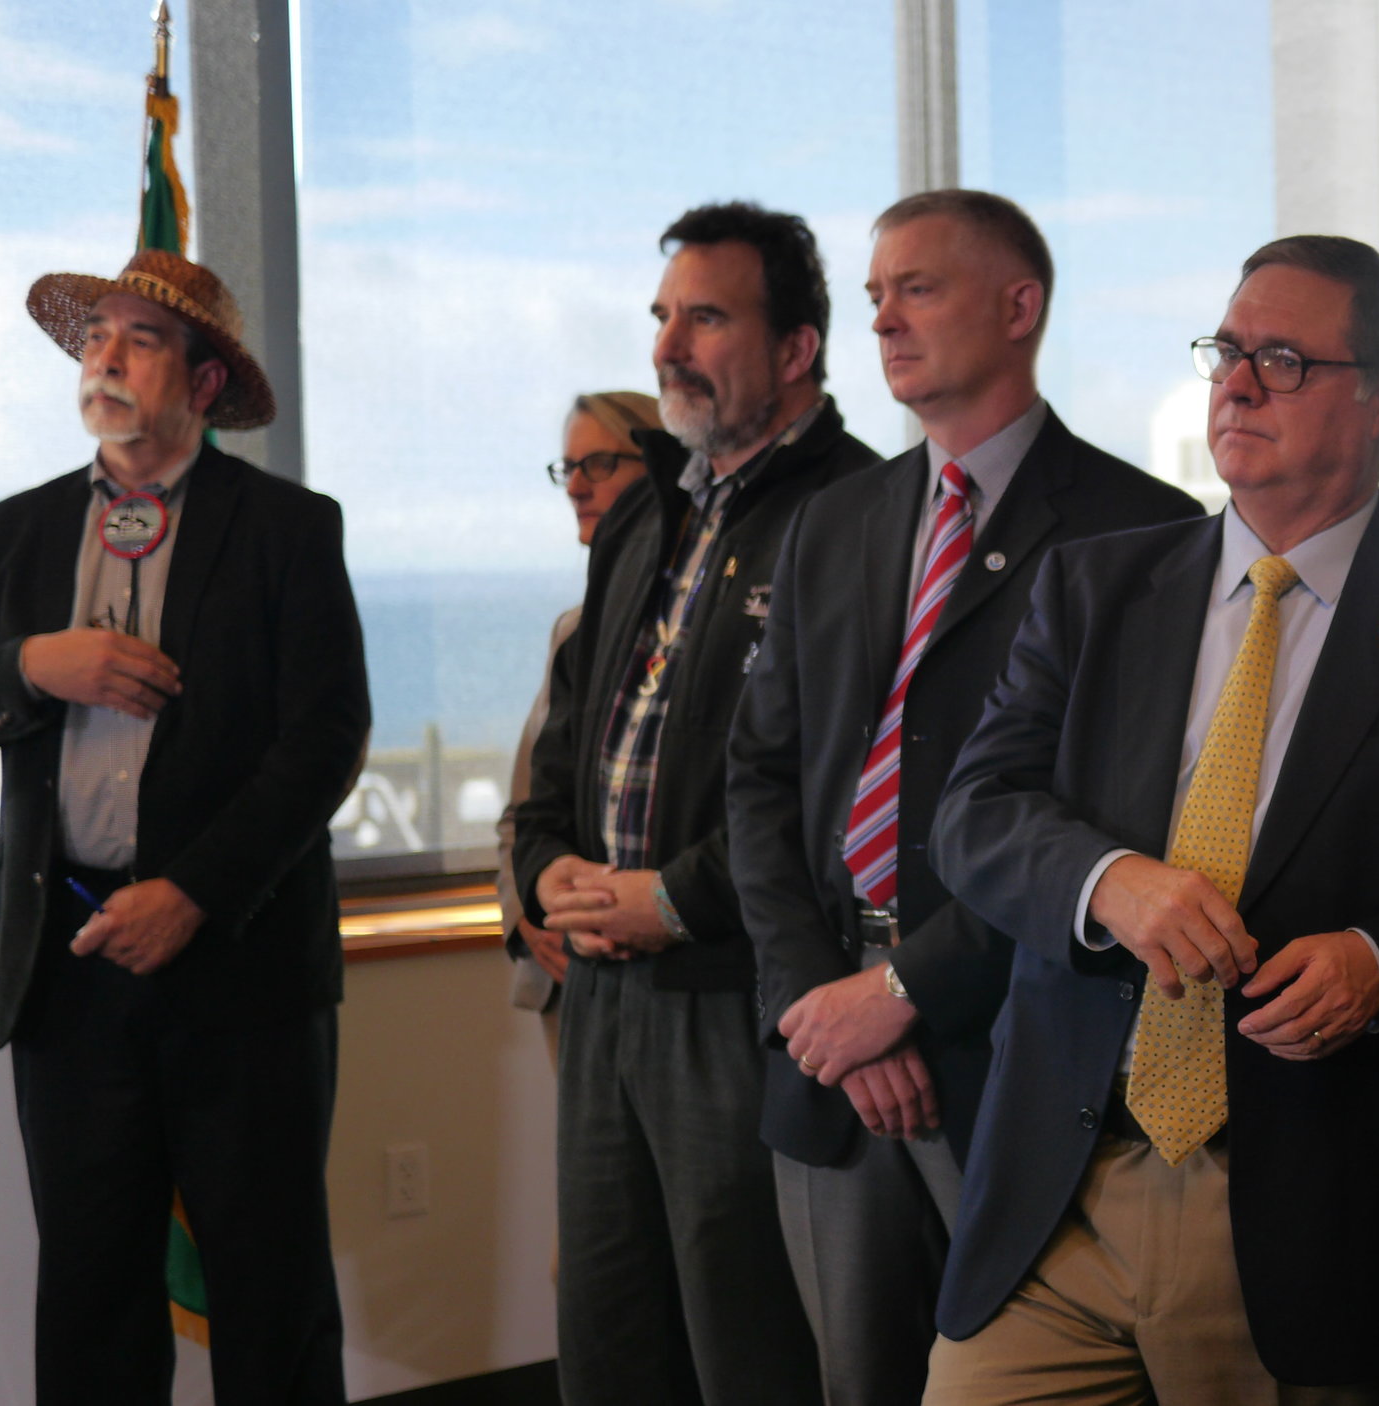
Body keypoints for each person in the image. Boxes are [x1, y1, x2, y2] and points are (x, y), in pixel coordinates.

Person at [926, 234, 1379, 1403]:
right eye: (1225, 350)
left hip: (1309, 1205)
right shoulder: (1095, 587)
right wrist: (1108, 879)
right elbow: (977, 811)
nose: (1236, 382)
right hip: (1061, 1186)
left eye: (1283, 358)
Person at [726, 188, 1199, 1406]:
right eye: (875, 295)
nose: (882, 319)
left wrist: (905, 990)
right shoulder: (835, 520)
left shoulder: (1139, 530)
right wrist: (815, 1000)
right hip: (827, 1055)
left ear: (1019, 304)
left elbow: (1110, 827)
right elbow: (762, 778)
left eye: (917, 288)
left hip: (1019, 1053)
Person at [509, 202, 880, 1405]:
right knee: (610, 1346)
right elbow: (567, 739)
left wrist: (675, 897)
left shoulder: (862, 512)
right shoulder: (644, 513)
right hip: (603, 993)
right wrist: (542, 869)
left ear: (796, 349)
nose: (669, 344)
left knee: (747, 1350)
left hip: (738, 995)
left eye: (706, 316)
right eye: (663, 315)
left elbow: (849, 784)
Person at [0, 249, 369, 1402]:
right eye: (97, 334)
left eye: (141, 339)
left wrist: (192, 891)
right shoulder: (16, 530)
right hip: (68, 966)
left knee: (271, 1296)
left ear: (206, 386)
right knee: (92, 1298)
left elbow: (325, 739)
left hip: (239, 966)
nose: (106, 355)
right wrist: (28, 664)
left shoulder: (289, 528)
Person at [498, 390, 660, 1046]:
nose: (575, 487)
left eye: (598, 464)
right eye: (568, 468)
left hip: (666, 966)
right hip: (568, 970)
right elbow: (526, 807)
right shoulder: (575, 632)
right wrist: (528, 909)